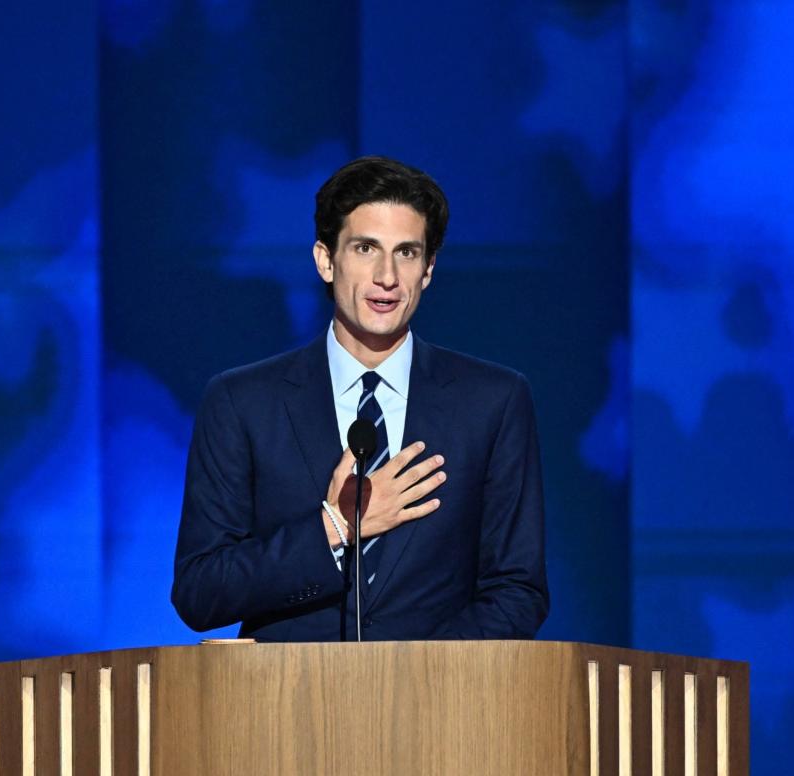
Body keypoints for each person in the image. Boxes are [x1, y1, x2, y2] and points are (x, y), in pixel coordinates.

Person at [171, 156, 548, 640]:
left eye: (407, 253)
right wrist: (334, 526)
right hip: (285, 706)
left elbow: (517, 591)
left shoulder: (493, 401)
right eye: (366, 248)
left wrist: (412, 685)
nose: (387, 276)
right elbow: (201, 591)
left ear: (429, 270)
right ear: (326, 260)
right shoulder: (242, 402)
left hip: (441, 707)